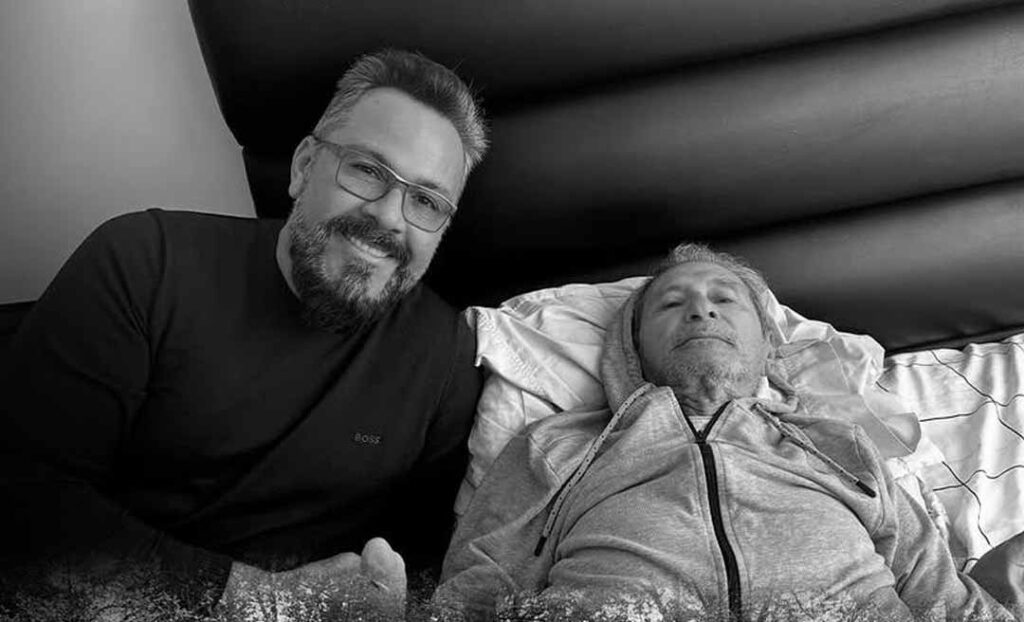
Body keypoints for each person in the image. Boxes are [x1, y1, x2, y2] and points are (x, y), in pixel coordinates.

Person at [0, 49, 487, 618]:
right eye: (367, 170)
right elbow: (21, 496)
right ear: (304, 166)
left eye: (426, 201)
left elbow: (422, 566)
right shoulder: (143, 263)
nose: (388, 216)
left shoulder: (445, 360)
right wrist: (253, 601)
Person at [434, 243, 1017, 621]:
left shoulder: (838, 444)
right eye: (671, 304)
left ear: (765, 341)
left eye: (723, 298)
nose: (700, 311)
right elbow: (478, 587)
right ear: (633, 347)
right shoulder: (557, 447)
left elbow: (936, 590)